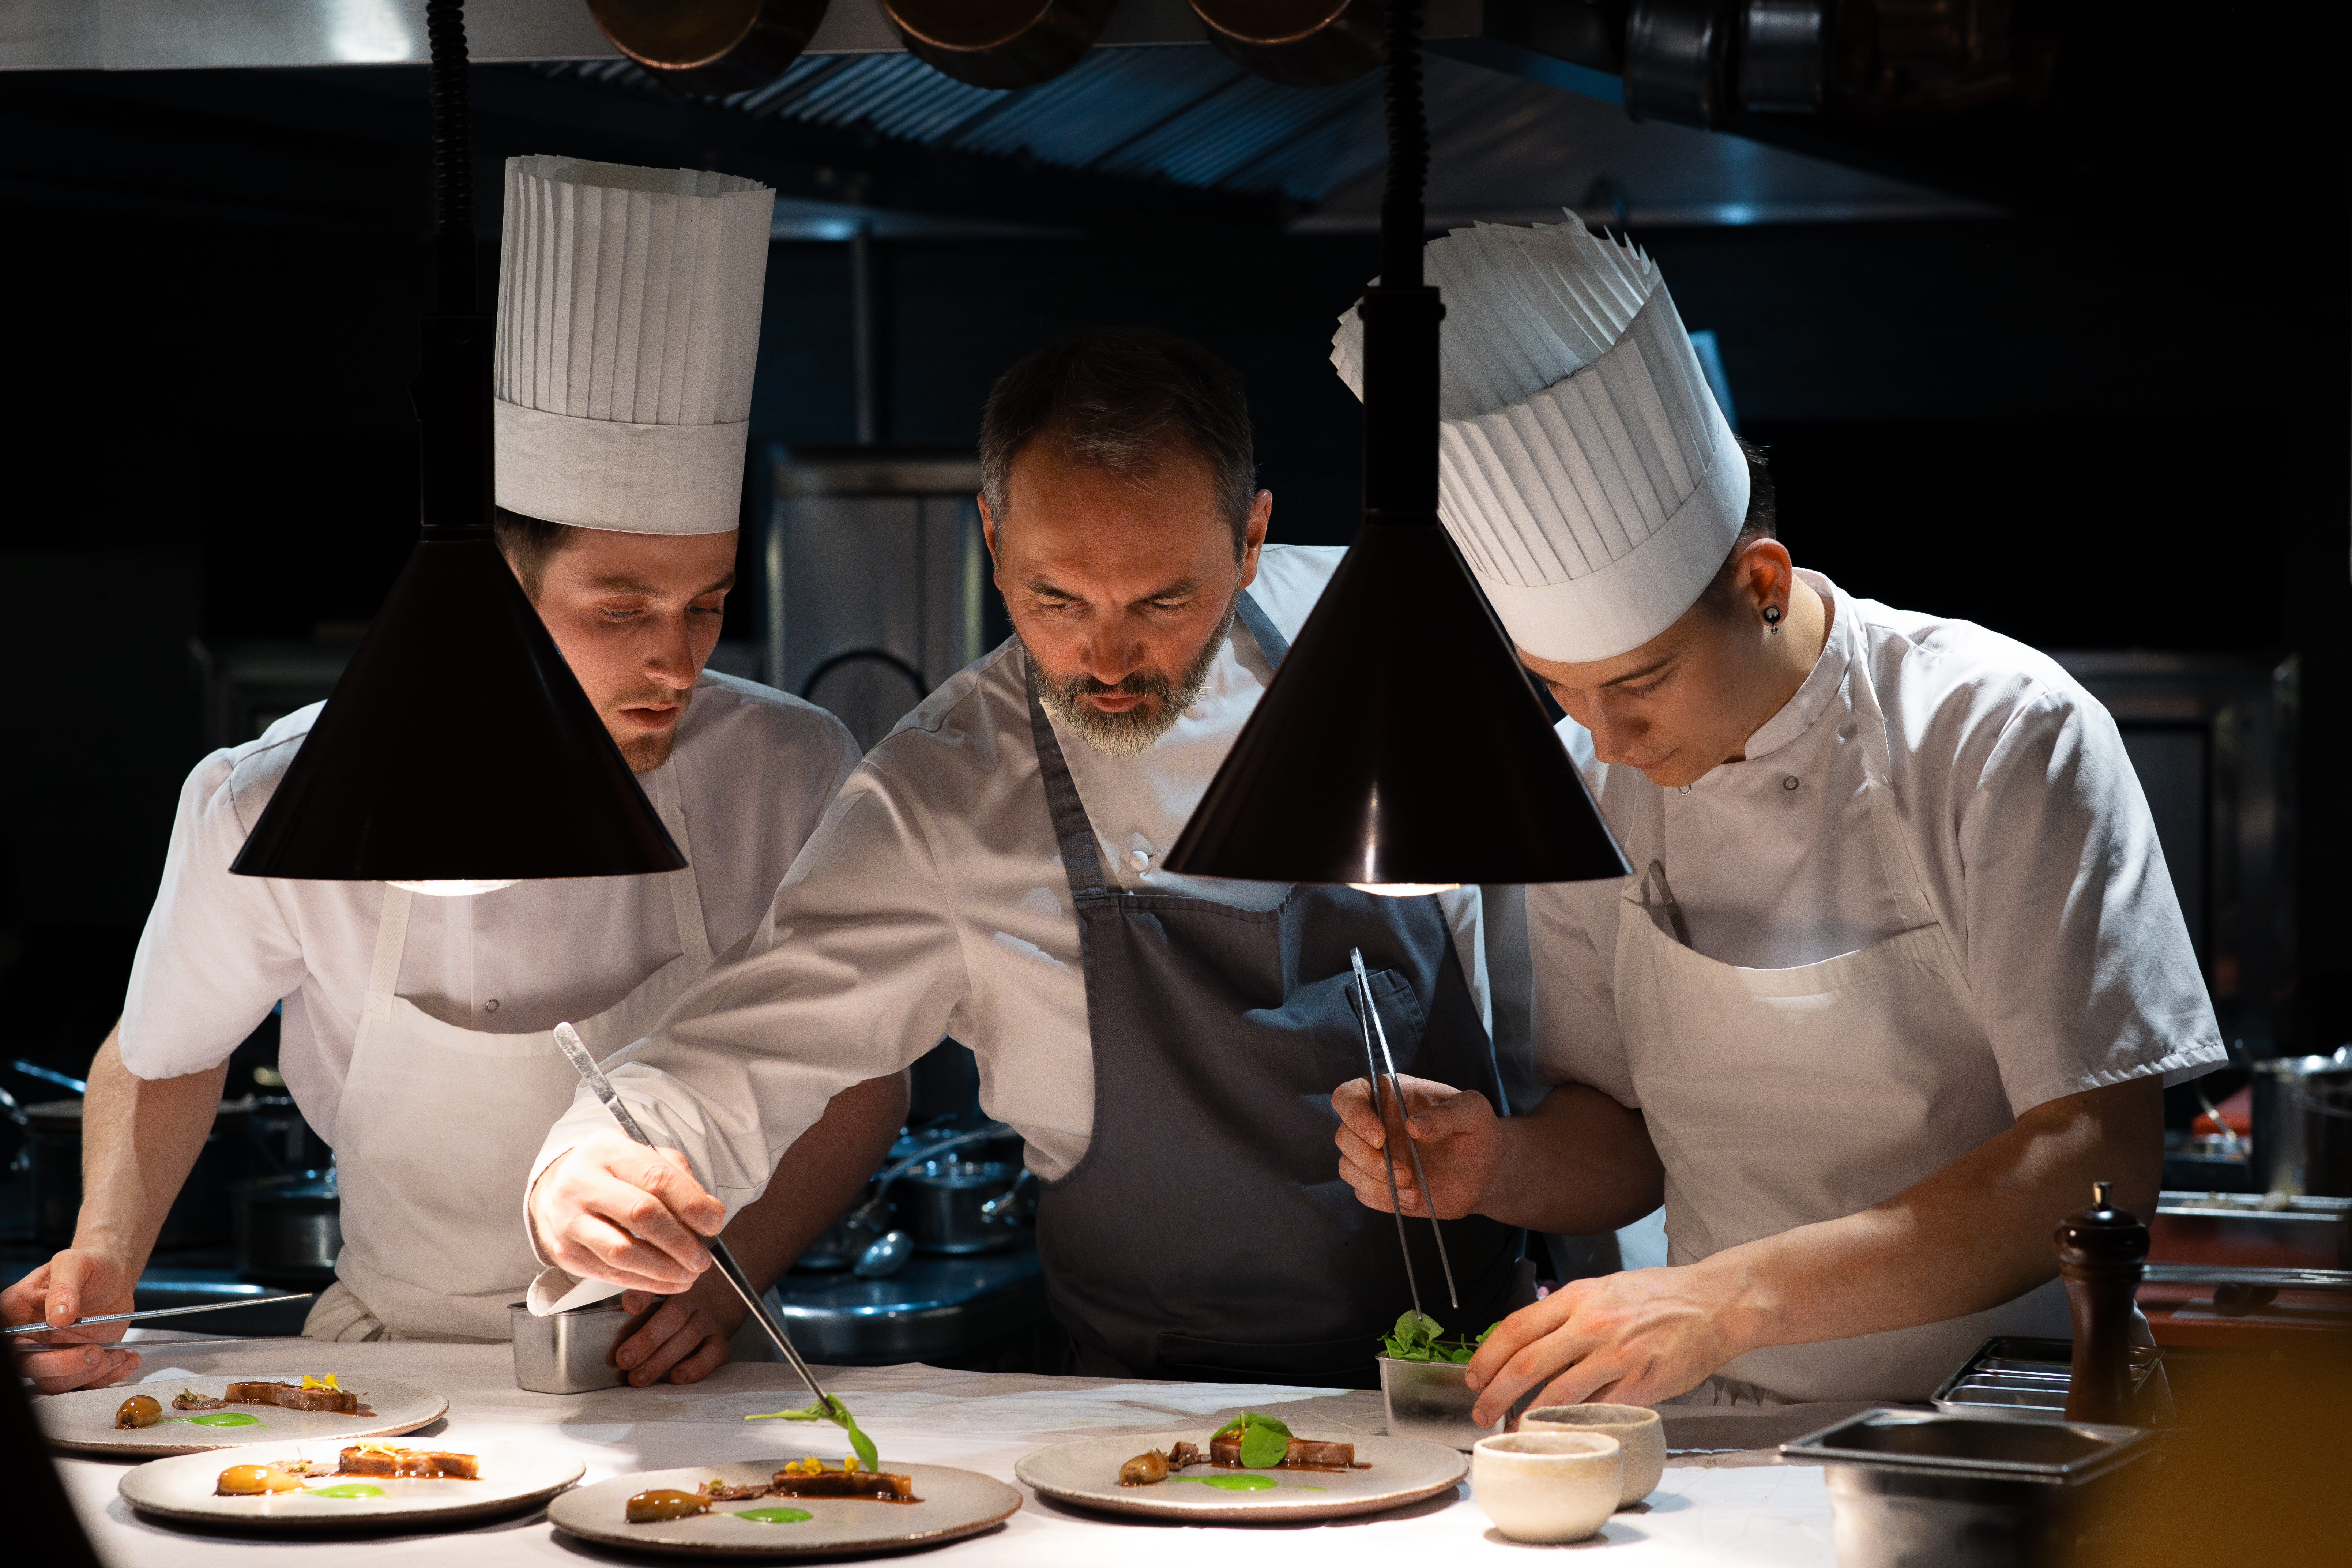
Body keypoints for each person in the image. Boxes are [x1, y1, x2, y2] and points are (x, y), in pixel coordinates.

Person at [4, 155, 901, 1393]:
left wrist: (737, 1268)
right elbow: (162, 1054)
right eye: (621, 608)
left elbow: (864, 1073)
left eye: (707, 606)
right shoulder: (275, 799)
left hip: (680, 1371)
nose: (676, 660)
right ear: (500, 597)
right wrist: (106, 1251)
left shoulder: (788, 768)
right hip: (391, 1378)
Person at [1326, 217, 2224, 1417]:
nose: (1606, 738)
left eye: (1640, 682)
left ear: (1761, 585)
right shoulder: (1586, 776)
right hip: (1715, 1424)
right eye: (1561, 688)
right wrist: (1500, 1163)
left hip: (2002, 1421)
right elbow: (1626, 1140)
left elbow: (2096, 1162)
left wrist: (1726, 1297)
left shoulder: (1998, 733)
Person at [523, 328, 1521, 1386]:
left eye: (1164, 602)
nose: (1108, 659)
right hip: (1143, 1423)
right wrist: (587, 1168)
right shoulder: (941, 799)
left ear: (1253, 538)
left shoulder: (1395, 652)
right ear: (992, 540)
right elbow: (736, 1051)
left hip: (1482, 1382)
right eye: (1056, 600)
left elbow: (1568, 1014)